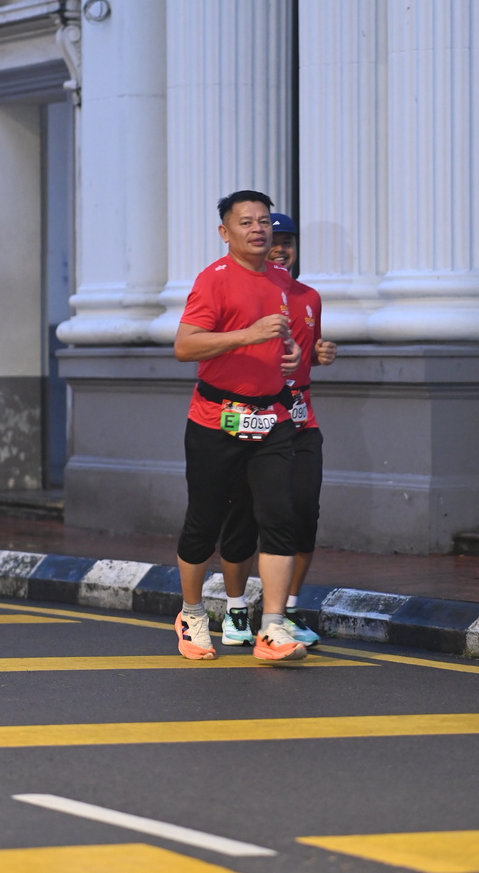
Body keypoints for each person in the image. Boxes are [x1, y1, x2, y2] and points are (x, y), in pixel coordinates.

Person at [173, 191, 309, 663]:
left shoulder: (281, 279)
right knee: (204, 521)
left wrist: (291, 352)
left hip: (272, 418)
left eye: (264, 221)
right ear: (225, 232)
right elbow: (185, 347)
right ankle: (191, 614)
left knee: (278, 518)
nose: (258, 229)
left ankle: (271, 628)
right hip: (216, 418)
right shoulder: (213, 280)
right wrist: (248, 336)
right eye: (246, 221)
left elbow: (282, 337)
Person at [219, 213, 337, 648]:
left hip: (301, 420)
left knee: (302, 513)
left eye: (287, 241)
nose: (280, 249)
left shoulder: (309, 297)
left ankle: (285, 609)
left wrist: (321, 353)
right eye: (274, 240)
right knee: (242, 516)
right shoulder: (240, 289)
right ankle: (235, 608)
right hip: (250, 418)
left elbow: (306, 350)